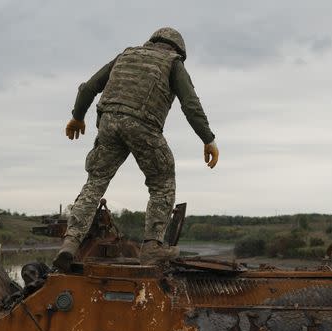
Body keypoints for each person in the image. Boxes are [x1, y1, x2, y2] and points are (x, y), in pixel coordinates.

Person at [54, 27, 219, 271]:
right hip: (143, 125)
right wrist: (208, 139)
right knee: (162, 181)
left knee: (95, 182)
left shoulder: (125, 55)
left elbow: (88, 88)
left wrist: (78, 117)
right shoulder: (173, 63)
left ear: (151, 41)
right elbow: (190, 104)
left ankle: (70, 242)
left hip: (108, 123)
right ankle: (152, 247)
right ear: (178, 50)